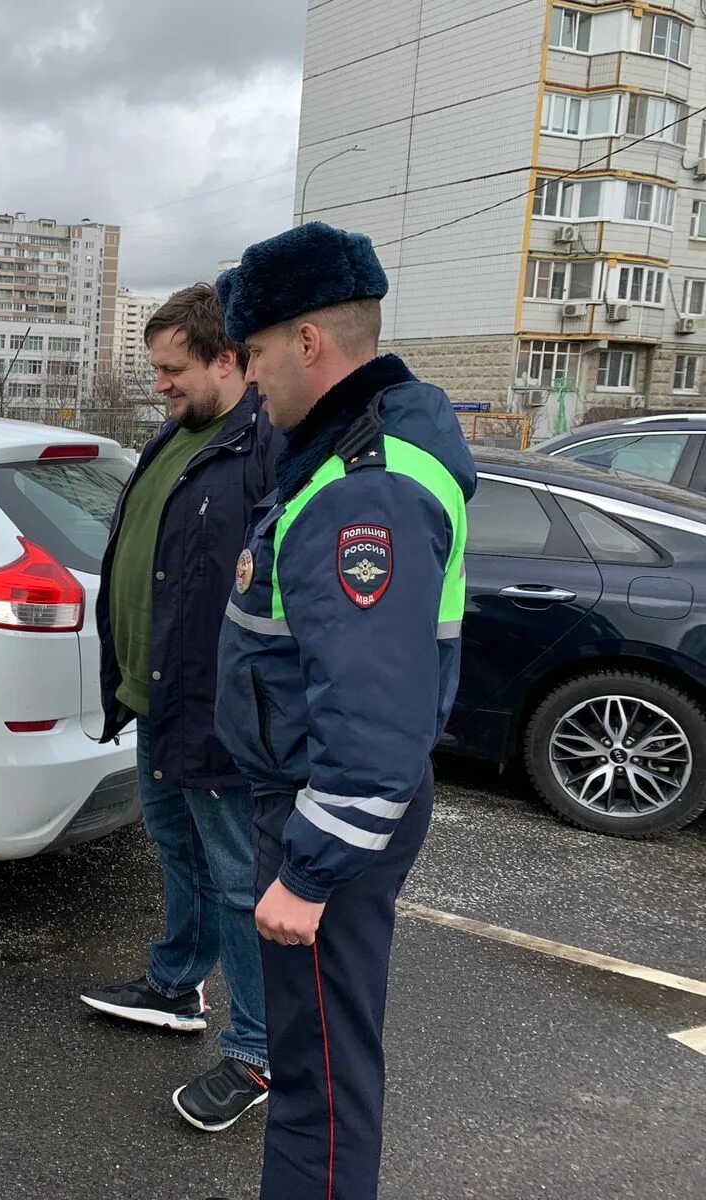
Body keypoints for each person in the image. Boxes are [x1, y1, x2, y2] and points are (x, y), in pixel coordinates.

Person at [213, 223, 475, 1199]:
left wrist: (310, 873)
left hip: (329, 812)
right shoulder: (361, 451)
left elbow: (374, 722)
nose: (248, 378)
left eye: (253, 354)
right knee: (321, 1063)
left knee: (317, 1082)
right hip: (326, 799)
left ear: (307, 343)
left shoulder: (367, 487)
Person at [84, 283, 281, 1133]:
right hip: (157, 699)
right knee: (176, 849)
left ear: (228, 360)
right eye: (156, 368)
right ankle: (175, 984)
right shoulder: (181, 433)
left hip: (217, 712)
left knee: (239, 881)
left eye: (173, 369)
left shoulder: (266, 447)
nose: (159, 384)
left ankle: (259, 1051)